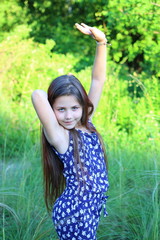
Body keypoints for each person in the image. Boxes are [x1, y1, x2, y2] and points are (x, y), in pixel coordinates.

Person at [31, 23, 109, 240]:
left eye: (75, 108)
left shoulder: (85, 124)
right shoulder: (60, 137)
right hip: (74, 213)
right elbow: (37, 94)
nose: (69, 116)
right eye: (60, 109)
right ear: (52, 109)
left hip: (90, 211)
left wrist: (101, 42)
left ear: (84, 106)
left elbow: (98, 79)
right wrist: (60, 86)